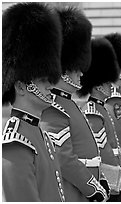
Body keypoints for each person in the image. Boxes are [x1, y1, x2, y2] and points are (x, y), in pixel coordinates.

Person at [41, 7, 110, 202]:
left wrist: (100, 177)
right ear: (63, 70)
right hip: (72, 192)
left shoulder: (70, 104)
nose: (81, 73)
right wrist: (92, 187)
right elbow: (63, 159)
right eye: (76, 69)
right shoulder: (52, 106)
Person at [2, 3, 65, 202]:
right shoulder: (17, 144)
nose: (50, 86)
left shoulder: (41, 135)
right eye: (42, 80)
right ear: (20, 86)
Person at [77, 37, 121, 202]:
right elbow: (103, 150)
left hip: (118, 171)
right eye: (108, 83)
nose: (111, 86)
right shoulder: (93, 113)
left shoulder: (101, 108)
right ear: (98, 86)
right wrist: (116, 172)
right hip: (109, 176)